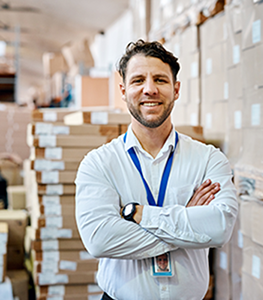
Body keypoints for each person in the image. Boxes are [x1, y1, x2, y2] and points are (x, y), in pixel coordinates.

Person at [75, 39, 238, 300]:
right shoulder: (98, 164)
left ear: (176, 89)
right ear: (123, 90)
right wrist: (188, 219)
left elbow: (220, 227)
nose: (149, 89)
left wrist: (141, 215)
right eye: (138, 80)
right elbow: (100, 240)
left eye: (160, 80)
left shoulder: (209, 159)